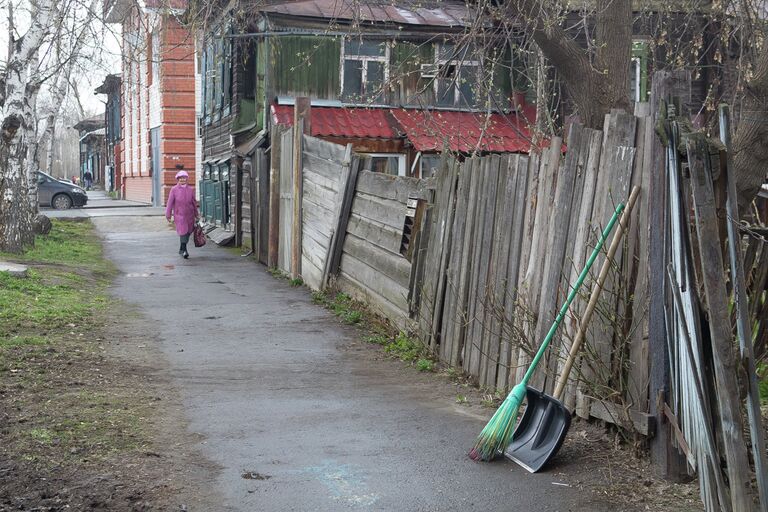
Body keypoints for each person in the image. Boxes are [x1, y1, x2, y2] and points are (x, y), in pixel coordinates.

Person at [165, 170, 199, 259]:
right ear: (178, 179)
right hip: (179, 215)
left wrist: (196, 214)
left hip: (189, 215)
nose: (182, 180)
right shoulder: (174, 190)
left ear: (186, 179)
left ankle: (181, 248)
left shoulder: (191, 189)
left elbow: (194, 203)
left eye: (184, 178)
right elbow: (170, 203)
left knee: (188, 232)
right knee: (183, 232)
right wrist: (168, 214)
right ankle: (185, 251)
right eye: (180, 178)